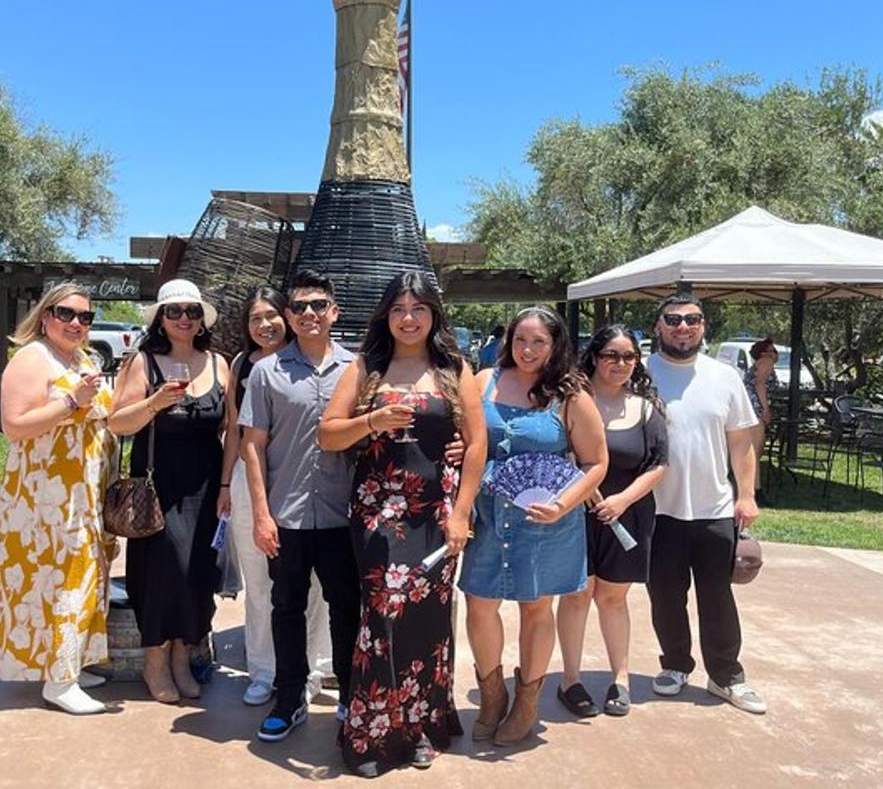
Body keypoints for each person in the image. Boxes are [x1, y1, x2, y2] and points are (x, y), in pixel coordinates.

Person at [319, 271, 487, 776]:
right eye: (398, 309)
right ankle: (373, 734)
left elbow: (476, 445)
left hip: (437, 513)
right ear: (385, 316)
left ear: (434, 315)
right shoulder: (366, 366)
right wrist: (371, 421)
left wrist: (461, 514)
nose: (408, 319)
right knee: (384, 613)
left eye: (418, 309)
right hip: (378, 510)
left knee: (428, 618)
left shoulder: (454, 368)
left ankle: (421, 728)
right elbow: (328, 435)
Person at [458, 307, 608, 746]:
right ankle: (492, 696)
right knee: (479, 603)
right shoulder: (484, 381)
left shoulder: (571, 395)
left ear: (555, 345)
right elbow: (467, 441)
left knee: (536, 608)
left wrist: (563, 504)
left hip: (546, 519)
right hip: (488, 515)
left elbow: (596, 462)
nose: (527, 350)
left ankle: (526, 702)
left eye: (539, 342)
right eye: (520, 340)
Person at [240, 269, 363, 742]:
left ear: (334, 311)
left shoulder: (358, 369)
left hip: (341, 513)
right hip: (286, 514)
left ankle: (351, 695)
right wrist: (261, 514)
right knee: (286, 607)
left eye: (318, 305)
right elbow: (253, 446)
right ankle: (289, 697)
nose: (309, 314)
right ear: (289, 316)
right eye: (299, 307)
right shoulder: (267, 372)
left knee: (346, 607)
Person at [0, 283, 119, 715]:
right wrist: (71, 401)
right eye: (66, 313)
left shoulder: (83, 359)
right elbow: (14, 426)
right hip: (45, 499)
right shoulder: (32, 358)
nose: (76, 323)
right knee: (64, 581)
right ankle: (60, 681)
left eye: (85, 317)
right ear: (45, 316)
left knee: (84, 578)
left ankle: (69, 663)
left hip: (82, 494)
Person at [644, 294, 766, 714]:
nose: (683, 327)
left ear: (703, 326)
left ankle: (726, 676)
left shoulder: (724, 377)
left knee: (717, 597)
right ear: (659, 326)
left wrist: (746, 495)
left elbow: (741, 443)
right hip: (658, 509)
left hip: (714, 508)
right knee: (665, 596)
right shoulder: (640, 373)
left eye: (692, 319)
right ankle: (675, 665)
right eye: (673, 319)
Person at [109, 279, 228, 704]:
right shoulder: (143, 362)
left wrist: (227, 484)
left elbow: (230, 429)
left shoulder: (217, 363)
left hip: (206, 485)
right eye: (174, 311)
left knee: (198, 573)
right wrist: (154, 403)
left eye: (192, 311)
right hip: (158, 486)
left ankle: (182, 657)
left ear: (201, 320)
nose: (183, 318)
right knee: (163, 572)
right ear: (161, 318)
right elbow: (118, 422)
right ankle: (155, 661)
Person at [216, 287, 335, 708]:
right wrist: (225, 485)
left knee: (313, 584)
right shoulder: (243, 364)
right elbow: (236, 430)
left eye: (271, 316)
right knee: (260, 584)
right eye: (255, 318)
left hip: (300, 483)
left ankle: (313, 666)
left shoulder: (312, 363)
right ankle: (264, 670)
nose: (264, 325)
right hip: (249, 485)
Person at [556, 326, 668, 718]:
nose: (620, 364)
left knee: (612, 598)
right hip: (575, 514)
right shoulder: (570, 402)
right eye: (611, 355)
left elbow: (659, 465)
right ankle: (570, 680)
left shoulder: (646, 409)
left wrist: (622, 500)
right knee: (576, 596)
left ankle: (620, 678)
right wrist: (579, 488)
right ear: (594, 357)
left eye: (628, 357)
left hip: (628, 514)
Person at [742, 338, 779, 505]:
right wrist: (765, 409)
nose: (775, 354)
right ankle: (755, 491)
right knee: (755, 453)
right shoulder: (766, 362)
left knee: (753, 452)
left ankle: (753, 489)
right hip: (755, 409)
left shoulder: (757, 364)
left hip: (750, 408)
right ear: (763, 354)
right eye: (772, 351)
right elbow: (759, 385)